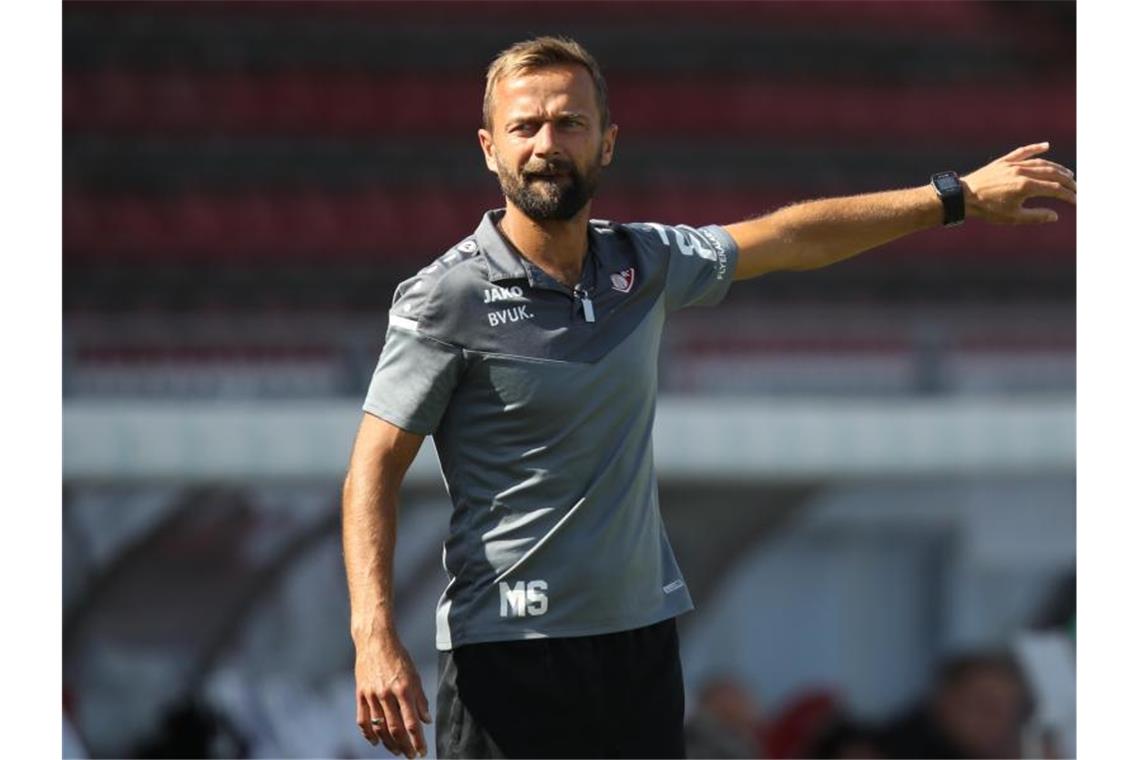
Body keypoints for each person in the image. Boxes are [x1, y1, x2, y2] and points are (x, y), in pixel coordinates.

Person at [341, 36, 1075, 760]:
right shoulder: (445, 298)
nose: (546, 143)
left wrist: (952, 198)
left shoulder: (645, 262)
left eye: (570, 122)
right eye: (524, 126)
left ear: (606, 143)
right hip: (508, 652)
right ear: (488, 147)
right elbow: (373, 469)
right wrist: (374, 636)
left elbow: (790, 238)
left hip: (638, 648)